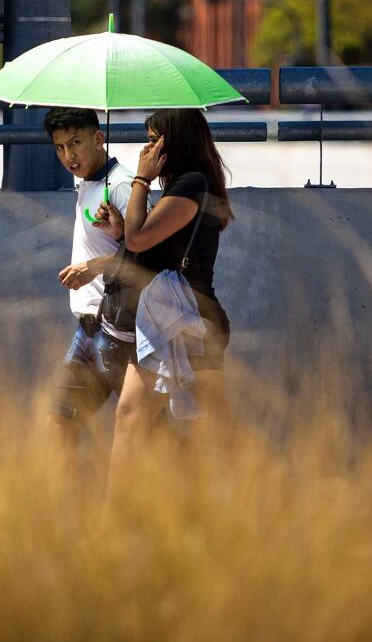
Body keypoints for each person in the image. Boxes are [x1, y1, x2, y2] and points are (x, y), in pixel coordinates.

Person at [94, 108, 233, 507]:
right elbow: (148, 243)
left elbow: (139, 241)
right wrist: (119, 228)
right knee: (194, 425)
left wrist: (140, 179)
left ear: (175, 143)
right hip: (182, 320)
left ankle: (114, 523)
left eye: (154, 139)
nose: (148, 148)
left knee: (148, 419)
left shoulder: (191, 185)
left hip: (185, 321)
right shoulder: (186, 186)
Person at [44, 107, 147, 454]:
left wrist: (93, 267)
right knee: (60, 425)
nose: (68, 156)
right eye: (59, 148)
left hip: (117, 333)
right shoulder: (89, 184)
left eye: (75, 143)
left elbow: (150, 255)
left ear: (99, 138)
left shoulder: (120, 185)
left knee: (148, 433)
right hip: (88, 330)